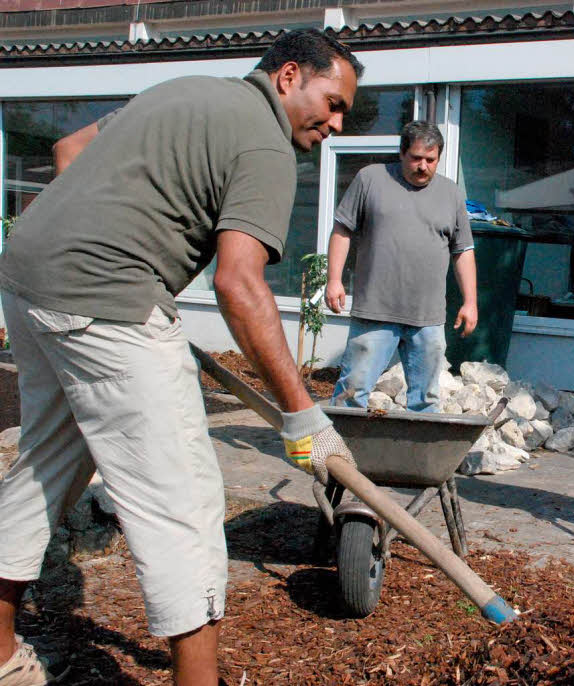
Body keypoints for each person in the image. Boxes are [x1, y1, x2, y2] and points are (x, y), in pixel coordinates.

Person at [0, 29, 363, 686]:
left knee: (45, 468)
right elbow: (240, 284)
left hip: (28, 282)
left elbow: (68, 150)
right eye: (333, 104)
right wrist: (302, 414)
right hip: (109, 300)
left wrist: (97, 248)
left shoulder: (184, 91)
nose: (336, 125)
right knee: (186, 507)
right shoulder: (266, 144)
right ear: (288, 76)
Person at [325, 121, 477, 412]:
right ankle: (338, 452)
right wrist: (334, 279)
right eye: (416, 158)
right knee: (352, 392)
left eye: (430, 160)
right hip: (375, 310)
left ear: (439, 158)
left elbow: (463, 251)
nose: (423, 166)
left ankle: (418, 457)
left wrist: (470, 302)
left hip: (428, 318)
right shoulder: (370, 179)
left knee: (426, 400)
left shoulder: (451, 194)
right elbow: (342, 231)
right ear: (401, 153)